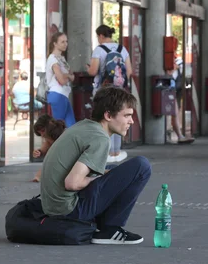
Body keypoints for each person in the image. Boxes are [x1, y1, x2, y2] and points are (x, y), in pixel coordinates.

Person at [40, 86, 151, 244]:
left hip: (53, 208)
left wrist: (102, 175)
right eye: (127, 115)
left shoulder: (83, 126)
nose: (131, 121)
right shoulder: (100, 138)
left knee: (113, 171)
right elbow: (72, 183)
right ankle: (110, 229)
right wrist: (97, 178)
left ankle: (105, 226)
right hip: (69, 211)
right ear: (108, 115)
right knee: (141, 166)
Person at [87, 25, 133, 163]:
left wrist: (88, 68)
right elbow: (129, 72)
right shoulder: (122, 49)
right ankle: (116, 151)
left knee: (103, 120)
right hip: (119, 92)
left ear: (100, 36)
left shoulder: (99, 50)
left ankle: (104, 152)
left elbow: (93, 72)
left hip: (104, 91)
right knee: (118, 118)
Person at [46, 32, 76, 127]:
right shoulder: (52, 59)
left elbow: (72, 76)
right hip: (57, 94)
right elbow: (62, 80)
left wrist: (67, 75)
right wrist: (68, 76)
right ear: (55, 43)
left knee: (71, 127)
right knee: (57, 128)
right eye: (62, 42)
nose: (65, 44)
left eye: (66, 41)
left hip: (64, 94)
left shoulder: (62, 59)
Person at [31, 113, 66, 182]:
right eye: (40, 133)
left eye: (43, 131)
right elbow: (42, 150)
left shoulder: (63, 135)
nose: (42, 135)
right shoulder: (48, 139)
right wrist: (38, 152)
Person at [167, 56, 194, 144]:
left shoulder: (178, 68)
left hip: (172, 91)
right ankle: (179, 136)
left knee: (175, 112)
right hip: (168, 91)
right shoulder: (171, 69)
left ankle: (179, 135)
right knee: (174, 113)